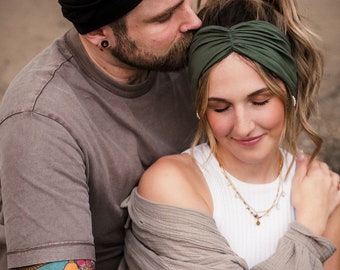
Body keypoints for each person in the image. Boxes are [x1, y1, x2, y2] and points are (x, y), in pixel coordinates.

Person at [121, 0, 340, 269]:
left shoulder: (320, 185)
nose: (243, 126)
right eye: (220, 107)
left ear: (290, 94)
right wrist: (308, 226)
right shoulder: (171, 183)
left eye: (260, 101)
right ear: (201, 108)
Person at [0, 0, 202, 269]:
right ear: (98, 35)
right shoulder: (40, 121)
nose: (193, 21)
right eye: (164, 18)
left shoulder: (184, 52)